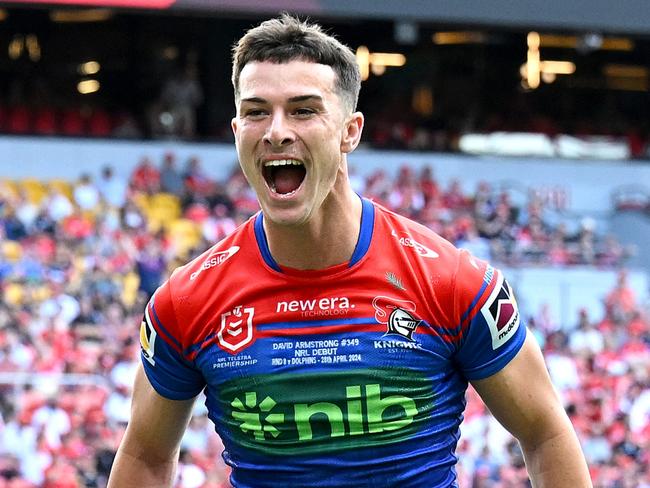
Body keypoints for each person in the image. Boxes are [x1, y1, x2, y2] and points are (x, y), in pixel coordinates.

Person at [108, 14, 592, 488]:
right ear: (237, 132)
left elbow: (546, 433)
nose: (276, 130)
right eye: (256, 111)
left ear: (350, 131)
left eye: (303, 110)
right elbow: (145, 457)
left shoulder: (453, 282)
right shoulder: (186, 301)